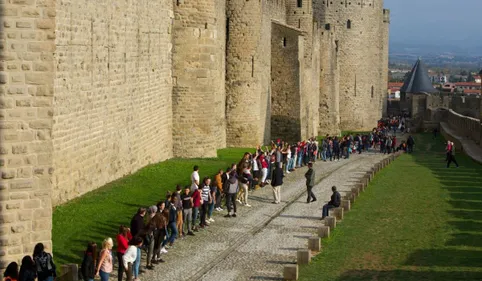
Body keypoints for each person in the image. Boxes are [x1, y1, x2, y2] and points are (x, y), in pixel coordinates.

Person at [129, 208, 145, 279]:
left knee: (134, 260)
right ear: (143, 212)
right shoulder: (139, 220)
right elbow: (140, 231)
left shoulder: (135, 217)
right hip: (137, 241)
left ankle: (132, 273)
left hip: (134, 240)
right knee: (137, 260)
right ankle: (136, 276)